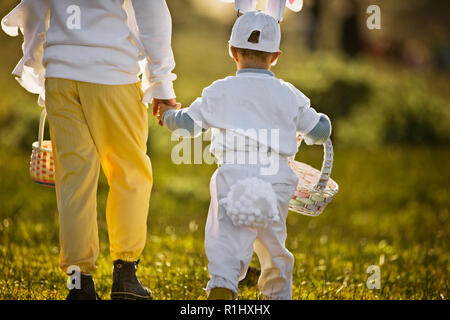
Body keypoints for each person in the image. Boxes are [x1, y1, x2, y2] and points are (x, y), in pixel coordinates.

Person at [2, 0, 177, 300]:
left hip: (61, 76)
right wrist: (161, 83)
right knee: (129, 174)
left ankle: (78, 282)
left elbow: (33, 8)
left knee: (73, 182)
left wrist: (38, 62)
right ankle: (125, 275)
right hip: (111, 73)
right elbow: (151, 10)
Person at [156, 11, 331, 300]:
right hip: (276, 182)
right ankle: (277, 292)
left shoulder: (220, 91)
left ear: (232, 51)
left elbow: (188, 125)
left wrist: (168, 114)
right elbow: (319, 131)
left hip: (233, 179)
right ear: (275, 56)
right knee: (274, 247)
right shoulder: (289, 94)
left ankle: (223, 285)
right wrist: (321, 121)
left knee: (225, 241)